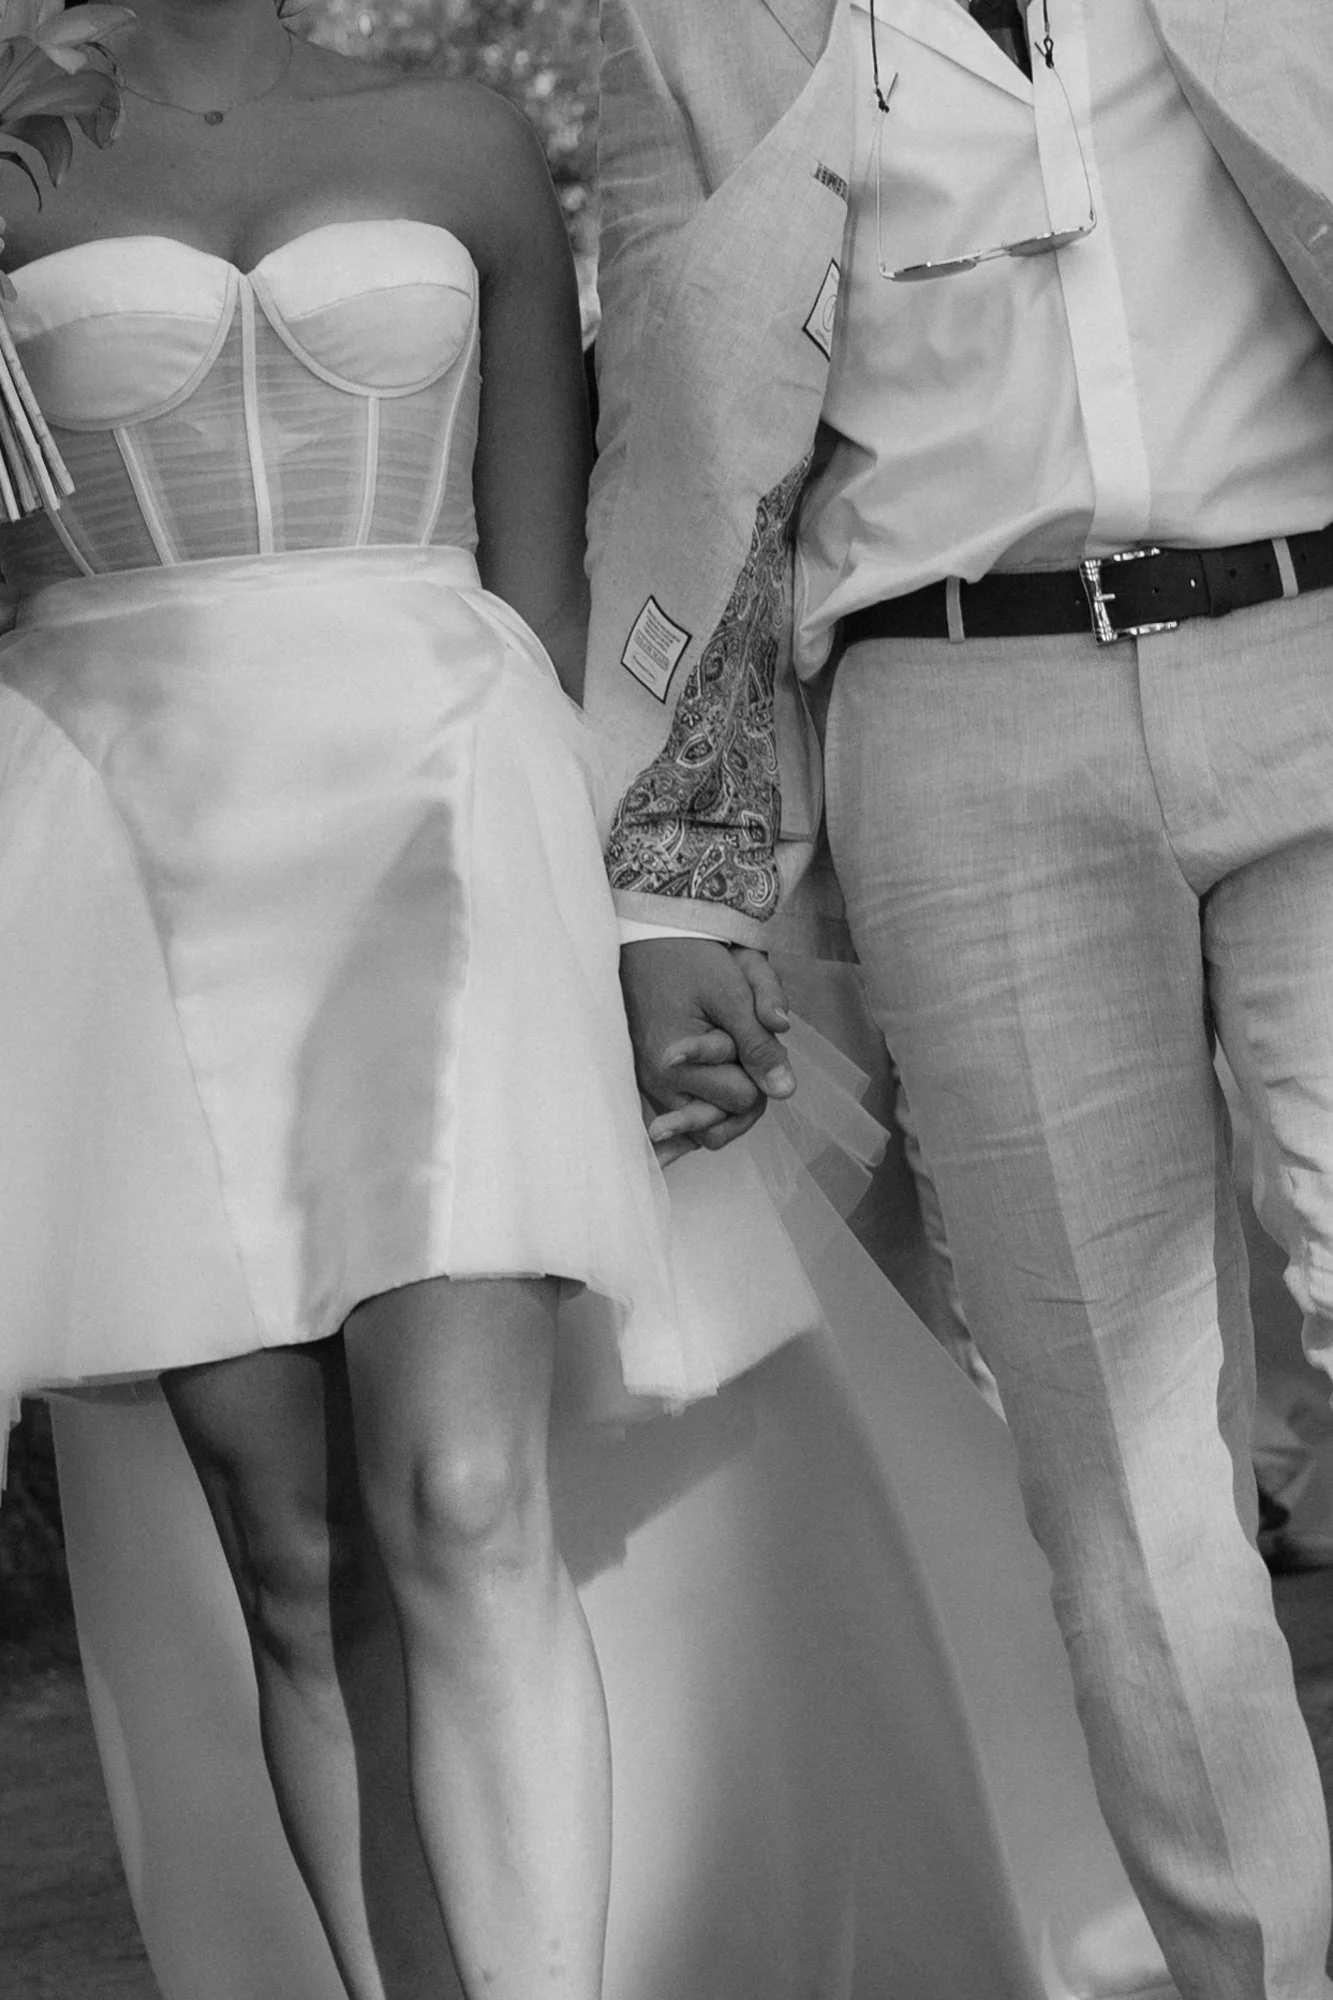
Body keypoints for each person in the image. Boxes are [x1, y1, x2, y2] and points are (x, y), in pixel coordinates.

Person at [0, 2, 821, 1993]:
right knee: (295, 1555)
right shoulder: (8, 141)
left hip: (441, 817)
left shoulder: (463, 139)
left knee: (464, 1493)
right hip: (126, 847)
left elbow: (545, 593)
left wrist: (636, 915)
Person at [586, 3, 1333, 1997]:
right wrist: (672, 879)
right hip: (952, 714)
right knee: (1121, 1475)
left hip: (1314, 649)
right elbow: (683, 430)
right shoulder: (700, 23)